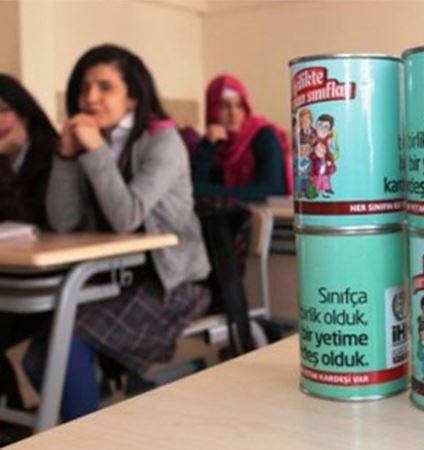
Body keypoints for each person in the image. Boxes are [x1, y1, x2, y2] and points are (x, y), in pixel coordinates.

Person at [23, 44, 211, 422]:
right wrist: (65, 156)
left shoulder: (163, 141)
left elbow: (127, 216)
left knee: (63, 348)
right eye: (84, 88)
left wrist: (94, 151)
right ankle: (90, 422)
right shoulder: (96, 139)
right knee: (39, 358)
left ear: (133, 96)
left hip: (172, 284)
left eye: (105, 87)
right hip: (117, 279)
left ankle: (86, 434)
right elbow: (62, 221)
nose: (90, 98)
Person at [0, 75, 58, 437]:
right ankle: (12, 419)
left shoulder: (53, 150)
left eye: (3, 110)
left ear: (23, 110)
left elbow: (41, 221)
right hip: (11, 279)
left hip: (50, 283)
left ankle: (12, 424)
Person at [190, 74, 293, 202]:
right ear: (212, 110)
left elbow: (272, 190)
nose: (233, 113)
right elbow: (194, 189)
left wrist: (209, 192)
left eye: (239, 106)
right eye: (224, 106)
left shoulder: (264, 135)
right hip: (225, 212)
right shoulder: (211, 142)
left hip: (263, 212)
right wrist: (208, 146)